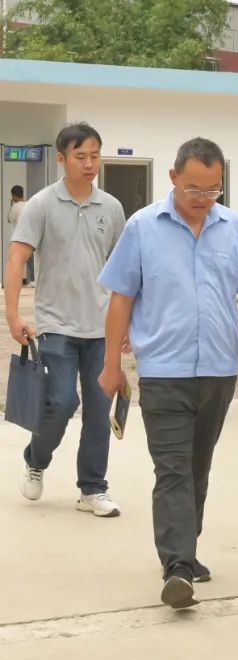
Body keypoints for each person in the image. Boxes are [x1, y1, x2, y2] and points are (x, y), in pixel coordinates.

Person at [97, 137, 238, 610]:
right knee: (173, 469)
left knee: (198, 467)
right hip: (163, 371)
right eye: (194, 188)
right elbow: (121, 297)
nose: (203, 198)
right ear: (174, 178)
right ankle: (177, 566)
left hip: (218, 370)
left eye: (213, 189)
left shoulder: (234, 228)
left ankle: (185, 550)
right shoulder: (143, 227)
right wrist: (111, 365)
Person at [5, 123, 126, 517]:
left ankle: (93, 489)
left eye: (95, 156)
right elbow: (17, 259)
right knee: (60, 402)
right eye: (81, 156)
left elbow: (125, 270)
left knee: (98, 409)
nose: (90, 164)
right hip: (55, 325)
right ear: (61, 159)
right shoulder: (41, 204)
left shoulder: (111, 208)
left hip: (101, 327)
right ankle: (36, 459)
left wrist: (128, 324)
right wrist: (12, 314)